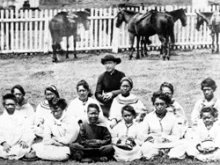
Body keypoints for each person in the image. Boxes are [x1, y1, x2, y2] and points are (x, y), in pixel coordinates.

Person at [140, 91, 187, 160]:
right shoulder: (148, 117)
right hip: (154, 144)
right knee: (145, 146)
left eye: (162, 104)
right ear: (154, 104)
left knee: (183, 143)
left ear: (166, 105)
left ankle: (169, 155)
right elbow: (142, 134)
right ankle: (158, 154)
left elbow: (176, 135)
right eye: (157, 104)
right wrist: (151, 138)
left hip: (169, 144)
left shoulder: (172, 117)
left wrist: (167, 138)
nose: (159, 107)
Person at [0, 94, 35, 160]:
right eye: (8, 104)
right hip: (5, 144)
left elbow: (27, 130)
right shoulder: (1, 119)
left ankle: (18, 153)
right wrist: (3, 143)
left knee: (22, 148)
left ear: (15, 104)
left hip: (18, 144)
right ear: (4, 105)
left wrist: (24, 140)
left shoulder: (21, 117)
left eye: (12, 104)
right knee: (2, 150)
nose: (10, 106)